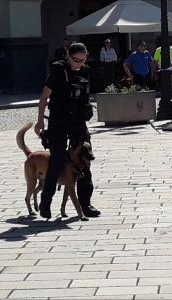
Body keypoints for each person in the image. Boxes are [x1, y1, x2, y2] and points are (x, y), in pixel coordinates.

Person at [34, 42, 100, 219]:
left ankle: (85, 204)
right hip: (59, 121)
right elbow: (44, 97)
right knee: (56, 160)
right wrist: (40, 121)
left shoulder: (85, 71)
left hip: (78, 120)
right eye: (77, 59)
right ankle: (45, 202)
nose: (79, 63)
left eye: (83, 60)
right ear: (68, 56)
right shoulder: (59, 71)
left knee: (85, 159)